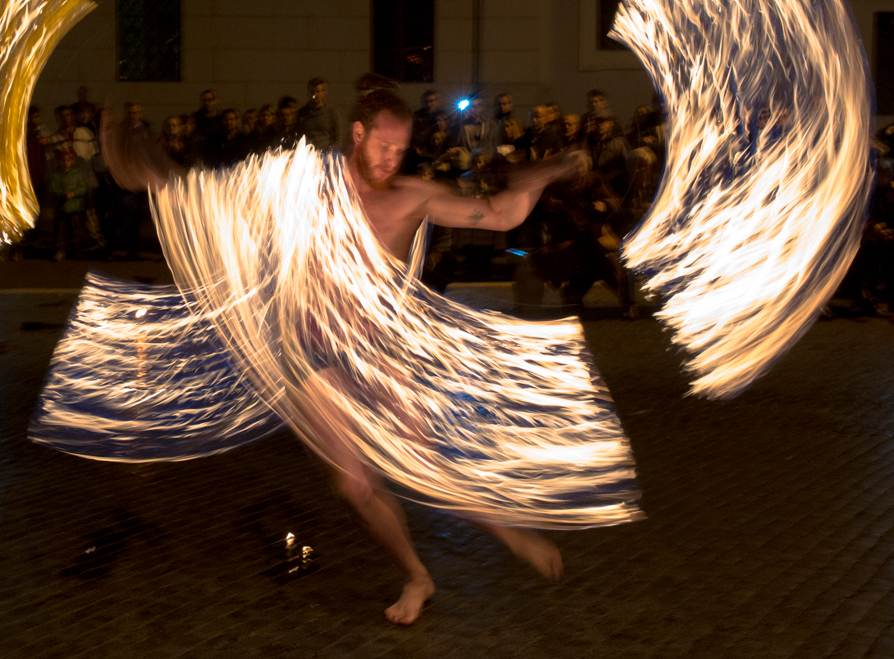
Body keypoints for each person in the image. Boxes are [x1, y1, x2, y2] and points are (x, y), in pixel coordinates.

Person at [101, 89, 580, 625]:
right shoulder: (306, 188)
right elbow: (214, 194)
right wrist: (152, 173)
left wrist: (542, 174)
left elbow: (499, 214)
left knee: (425, 460)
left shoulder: (411, 198)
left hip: (377, 350)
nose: (390, 159)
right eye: (382, 146)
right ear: (358, 134)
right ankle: (417, 577)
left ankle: (514, 538)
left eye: (399, 149)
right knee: (354, 486)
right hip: (311, 353)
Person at [298, 77, 340, 151]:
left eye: (318, 91)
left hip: (326, 153)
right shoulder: (301, 113)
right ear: (308, 92)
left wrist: (331, 152)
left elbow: (338, 136)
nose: (315, 94)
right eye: (312, 92)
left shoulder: (331, 112)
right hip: (308, 154)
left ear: (323, 93)